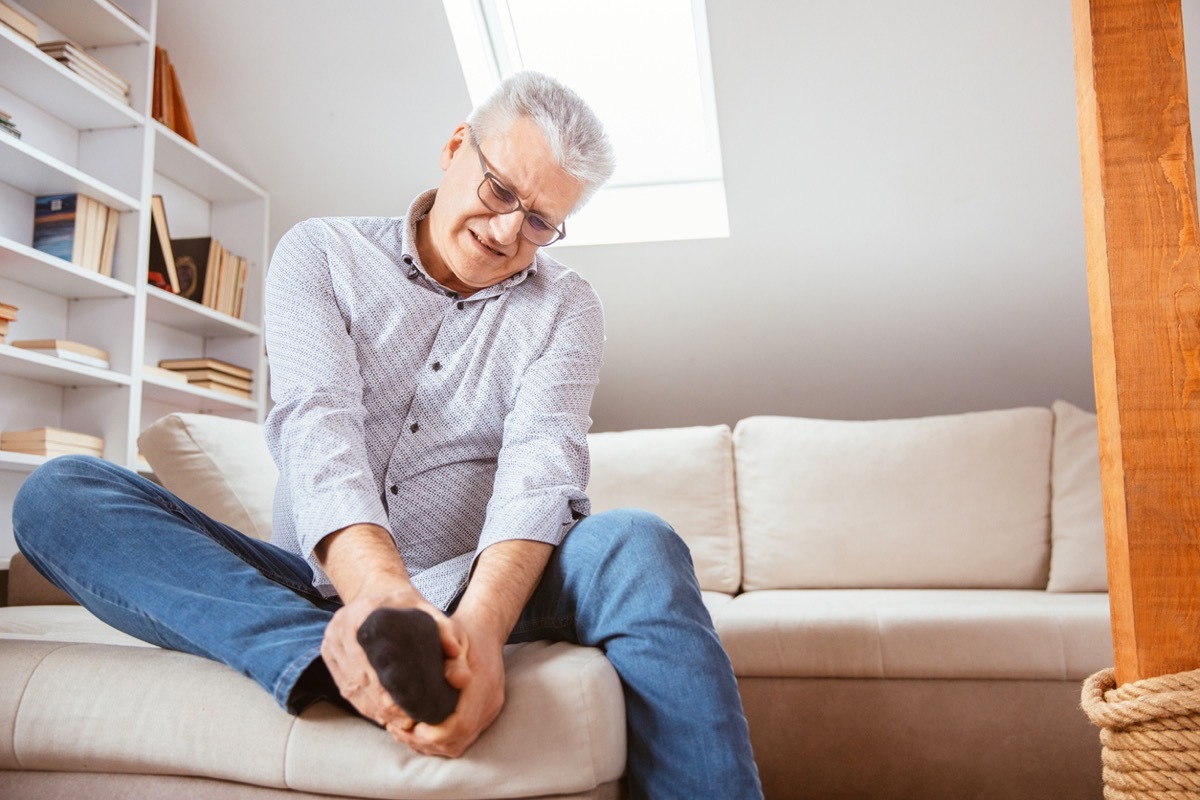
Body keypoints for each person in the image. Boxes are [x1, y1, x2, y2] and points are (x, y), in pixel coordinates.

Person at [13, 70, 763, 799]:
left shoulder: (567, 307)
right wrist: (376, 598)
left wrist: (478, 639)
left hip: (478, 581)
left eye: (539, 221)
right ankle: (357, 665)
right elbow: (318, 426)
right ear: (456, 147)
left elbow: (542, 465)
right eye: (501, 190)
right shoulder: (323, 254)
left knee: (638, 542)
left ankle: (402, 660)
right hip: (318, 587)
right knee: (60, 494)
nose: (508, 231)